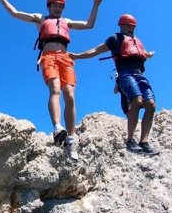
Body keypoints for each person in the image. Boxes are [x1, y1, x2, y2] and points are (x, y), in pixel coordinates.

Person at [0, 0, 102, 161]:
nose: (58, 8)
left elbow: (89, 25)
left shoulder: (66, 21)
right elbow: (15, 13)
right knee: (55, 89)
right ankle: (57, 127)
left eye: (61, 6)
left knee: (70, 95)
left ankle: (71, 138)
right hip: (48, 58)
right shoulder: (40, 18)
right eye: (55, 5)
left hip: (65, 58)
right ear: (49, 6)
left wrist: (96, 5)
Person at [68, 14, 160, 155]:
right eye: (128, 26)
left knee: (151, 104)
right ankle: (130, 141)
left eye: (132, 26)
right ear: (121, 26)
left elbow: (142, 53)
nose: (130, 28)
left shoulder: (137, 41)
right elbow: (95, 50)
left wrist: (148, 54)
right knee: (137, 100)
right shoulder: (115, 39)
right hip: (125, 73)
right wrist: (77, 56)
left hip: (139, 74)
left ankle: (144, 142)